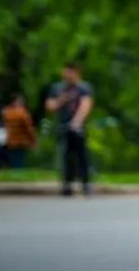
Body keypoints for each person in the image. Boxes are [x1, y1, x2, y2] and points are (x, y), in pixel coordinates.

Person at [46, 62, 94, 196]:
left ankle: (86, 183)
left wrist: (77, 122)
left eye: (70, 72)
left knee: (82, 156)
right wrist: (62, 100)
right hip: (63, 126)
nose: (67, 75)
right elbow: (50, 106)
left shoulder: (84, 88)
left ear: (77, 73)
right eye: (65, 71)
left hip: (79, 128)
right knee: (66, 156)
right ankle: (67, 184)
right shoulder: (57, 88)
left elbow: (86, 105)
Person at [1, 92, 37, 169]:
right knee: (19, 162)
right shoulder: (23, 113)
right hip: (21, 141)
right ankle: (18, 176)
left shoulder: (6, 112)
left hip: (10, 141)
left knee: (12, 161)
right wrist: (33, 140)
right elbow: (29, 128)